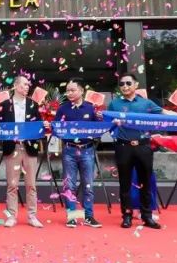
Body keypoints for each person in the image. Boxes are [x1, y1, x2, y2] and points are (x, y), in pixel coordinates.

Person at [107, 73, 169, 230]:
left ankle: (147, 216)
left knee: (145, 182)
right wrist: (111, 122)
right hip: (123, 147)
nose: (125, 86)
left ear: (136, 85)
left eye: (128, 83)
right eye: (122, 84)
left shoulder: (146, 103)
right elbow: (106, 122)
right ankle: (127, 216)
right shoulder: (114, 104)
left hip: (143, 147)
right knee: (125, 183)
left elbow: (164, 113)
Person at [0, 75, 43, 228]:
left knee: (31, 184)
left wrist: (44, 126)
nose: (27, 87)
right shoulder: (4, 105)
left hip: (29, 147)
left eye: (28, 84)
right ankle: (11, 216)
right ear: (15, 85)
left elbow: (39, 126)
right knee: (12, 185)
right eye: (24, 84)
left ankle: (32, 216)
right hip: (12, 148)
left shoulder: (33, 105)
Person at [56, 78, 104, 228]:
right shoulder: (62, 109)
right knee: (69, 185)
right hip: (69, 150)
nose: (69, 93)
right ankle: (72, 216)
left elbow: (99, 129)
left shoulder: (91, 108)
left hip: (87, 150)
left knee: (88, 185)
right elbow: (56, 128)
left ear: (81, 91)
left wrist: (102, 120)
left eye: (73, 90)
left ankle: (89, 216)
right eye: (67, 91)